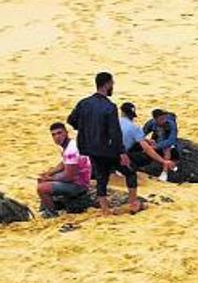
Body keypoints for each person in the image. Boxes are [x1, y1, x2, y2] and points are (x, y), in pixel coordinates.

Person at [67, 72, 144, 215]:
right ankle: (133, 203)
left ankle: (105, 210)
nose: (113, 86)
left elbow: (71, 120)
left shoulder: (83, 103)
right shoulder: (110, 106)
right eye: (112, 84)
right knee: (130, 171)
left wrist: (84, 128)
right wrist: (122, 152)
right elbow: (114, 132)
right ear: (107, 84)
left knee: (102, 176)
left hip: (89, 147)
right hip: (107, 148)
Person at [36, 123, 93, 218]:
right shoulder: (70, 144)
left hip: (79, 185)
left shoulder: (71, 150)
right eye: (53, 135)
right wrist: (49, 173)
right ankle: (48, 206)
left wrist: (51, 178)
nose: (57, 137)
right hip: (77, 179)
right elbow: (64, 163)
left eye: (59, 133)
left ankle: (51, 213)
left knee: (42, 188)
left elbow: (69, 176)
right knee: (42, 179)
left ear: (66, 133)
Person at [119, 102, 175, 174]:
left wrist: (147, 141)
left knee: (166, 147)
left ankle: (165, 172)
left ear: (122, 112)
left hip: (106, 152)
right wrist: (163, 161)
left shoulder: (113, 122)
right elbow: (147, 148)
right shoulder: (135, 128)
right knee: (146, 156)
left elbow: (171, 140)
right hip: (120, 156)